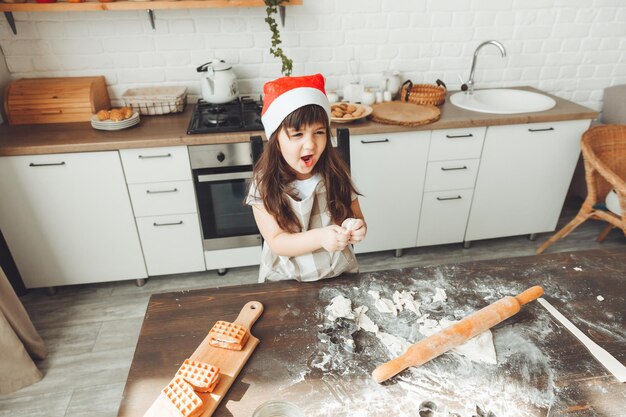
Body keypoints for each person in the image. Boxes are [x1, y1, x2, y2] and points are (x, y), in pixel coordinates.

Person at [246, 73, 367, 282]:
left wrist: (357, 228)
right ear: (276, 140)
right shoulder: (263, 183)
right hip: (285, 279)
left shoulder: (337, 173)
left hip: (337, 273)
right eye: (297, 134)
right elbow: (277, 242)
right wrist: (320, 237)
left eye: (319, 132)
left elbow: (357, 217)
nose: (310, 144)